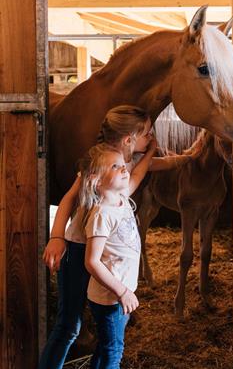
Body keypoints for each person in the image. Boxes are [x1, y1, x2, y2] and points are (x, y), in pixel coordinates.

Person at [40, 105, 190, 369]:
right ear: (128, 140)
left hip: (105, 254)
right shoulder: (99, 163)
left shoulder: (122, 167)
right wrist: (56, 237)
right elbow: (69, 199)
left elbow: (147, 168)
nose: (151, 138)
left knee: (106, 329)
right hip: (79, 248)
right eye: (146, 134)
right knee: (70, 326)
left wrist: (184, 157)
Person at [82, 142, 154, 368]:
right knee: (114, 351)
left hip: (119, 294)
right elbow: (92, 262)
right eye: (115, 166)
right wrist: (122, 292)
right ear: (96, 179)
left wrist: (151, 152)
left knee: (106, 346)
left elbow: (138, 173)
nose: (124, 169)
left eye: (123, 165)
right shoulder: (102, 214)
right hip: (110, 298)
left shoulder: (121, 196)